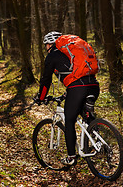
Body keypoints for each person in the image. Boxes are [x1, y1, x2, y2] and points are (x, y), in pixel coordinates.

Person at [35, 31, 100, 166]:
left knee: (69, 120)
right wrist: (67, 94)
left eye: (46, 44)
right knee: (86, 115)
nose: (46, 47)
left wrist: (41, 98)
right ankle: (98, 140)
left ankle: (71, 157)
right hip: (93, 84)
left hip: (78, 88)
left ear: (50, 44)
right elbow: (74, 74)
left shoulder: (52, 56)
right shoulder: (71, 52)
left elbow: (46, 80)